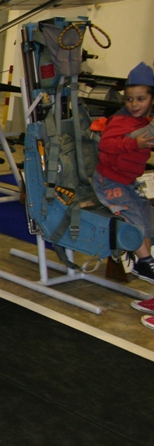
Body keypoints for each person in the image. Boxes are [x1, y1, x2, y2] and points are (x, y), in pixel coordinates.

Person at [91, 62, 154, 290]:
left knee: (146, 213)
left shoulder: (145, 123)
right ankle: (144, 261)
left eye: (140, 99)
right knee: (131, 215)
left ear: (151, 100)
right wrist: (133, 143)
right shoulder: (122, 121)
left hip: (128, 180)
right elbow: (106, 144)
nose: (134, 104)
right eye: (129, 99)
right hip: (109, 179)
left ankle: (145, 261)